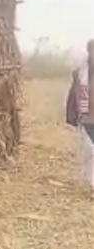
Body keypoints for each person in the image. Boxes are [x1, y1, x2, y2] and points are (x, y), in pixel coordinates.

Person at [66, 39, 94, 199]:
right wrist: (72, 115)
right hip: (86, 119)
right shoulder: (80, 73)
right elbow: (73, 94)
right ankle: (92, 184)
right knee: (90, 150)